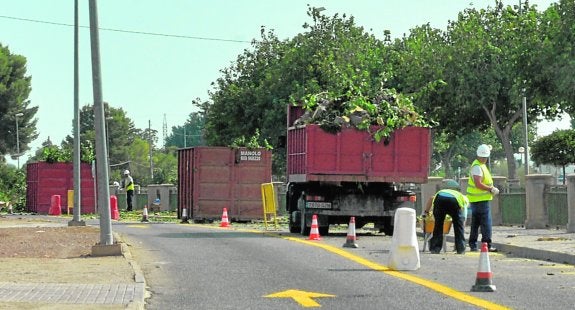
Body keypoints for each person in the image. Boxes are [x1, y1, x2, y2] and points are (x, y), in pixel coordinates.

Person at [466, 144, 499, 252]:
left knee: (475, 224)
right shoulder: (477, 167)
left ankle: (473, 245)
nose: (484, 159)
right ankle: (487, 245)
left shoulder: (480, 165)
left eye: (485, 157)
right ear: (478, 156)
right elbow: (478, 184)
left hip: (477, 200)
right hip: (481, 200)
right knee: (486, 224)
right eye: (483, 157)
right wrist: (490, 189)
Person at [423, 180, 469, 254]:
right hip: (454, 202)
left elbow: (431, 198)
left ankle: (435, 249)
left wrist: (426, 212)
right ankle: (460, 249)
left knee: (438, 225)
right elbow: (464, 217)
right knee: (458, 227)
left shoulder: (442, 191)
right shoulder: (463, 197)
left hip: (440, 199)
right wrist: (461, 226)